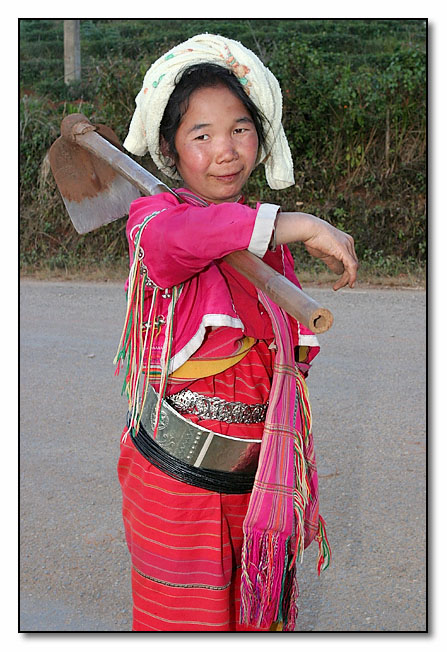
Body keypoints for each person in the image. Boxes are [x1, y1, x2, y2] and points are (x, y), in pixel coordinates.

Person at [115, 33, 358, 632]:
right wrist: (298, 222)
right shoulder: (155, 220)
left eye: (241, 129)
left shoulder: (265, 246)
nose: (225, 151)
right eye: (201, 135)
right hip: (177, 488)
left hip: (259, 486)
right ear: (170, 151)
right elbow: (183, 245)